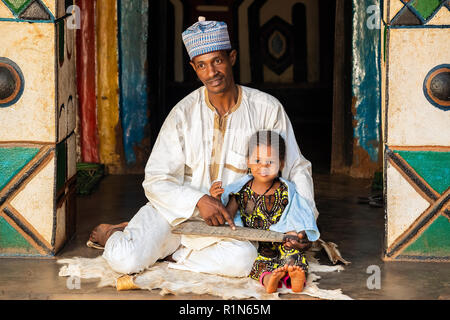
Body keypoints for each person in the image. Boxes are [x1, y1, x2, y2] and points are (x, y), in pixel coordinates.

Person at [88, 17, 319, 277]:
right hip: (174, 213)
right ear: (193, 68)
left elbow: (296, 168)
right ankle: (114, 235)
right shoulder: (183, 113)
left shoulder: (267, 109)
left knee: (243, 261)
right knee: (125, 260)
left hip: (232, 220)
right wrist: (198, 199)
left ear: (232, 58)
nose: (211, 72)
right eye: (202, 65)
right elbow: (156, 179)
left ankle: (173, 254)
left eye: (217, 61)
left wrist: (303, 224)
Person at [210, 130, 319, 293]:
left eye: (270, 162)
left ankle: (296, 278)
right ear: (248, 161)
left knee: (293, 254)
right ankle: (269, 279)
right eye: (257, 160)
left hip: (282, 242)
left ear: (281, 164)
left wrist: (297, 235)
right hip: (257, 246)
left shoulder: (286, 191)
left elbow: (296, 215)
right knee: (256, 261)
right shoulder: (242, 192)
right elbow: (228, 218)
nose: (263, 166)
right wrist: (217, 200)